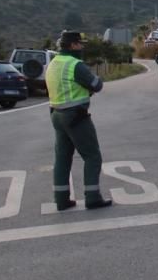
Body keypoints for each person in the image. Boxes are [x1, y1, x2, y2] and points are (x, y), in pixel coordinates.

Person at [45, 30, 112, 211]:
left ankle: (61, 199)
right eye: (80, 44)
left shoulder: (53, 63)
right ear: (73, 45)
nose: (82, 47)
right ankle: (92, 197)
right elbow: (96, 85)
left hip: (56, 114)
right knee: (92, 156)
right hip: (76, 116)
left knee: (62, 158)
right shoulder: (75, 64)